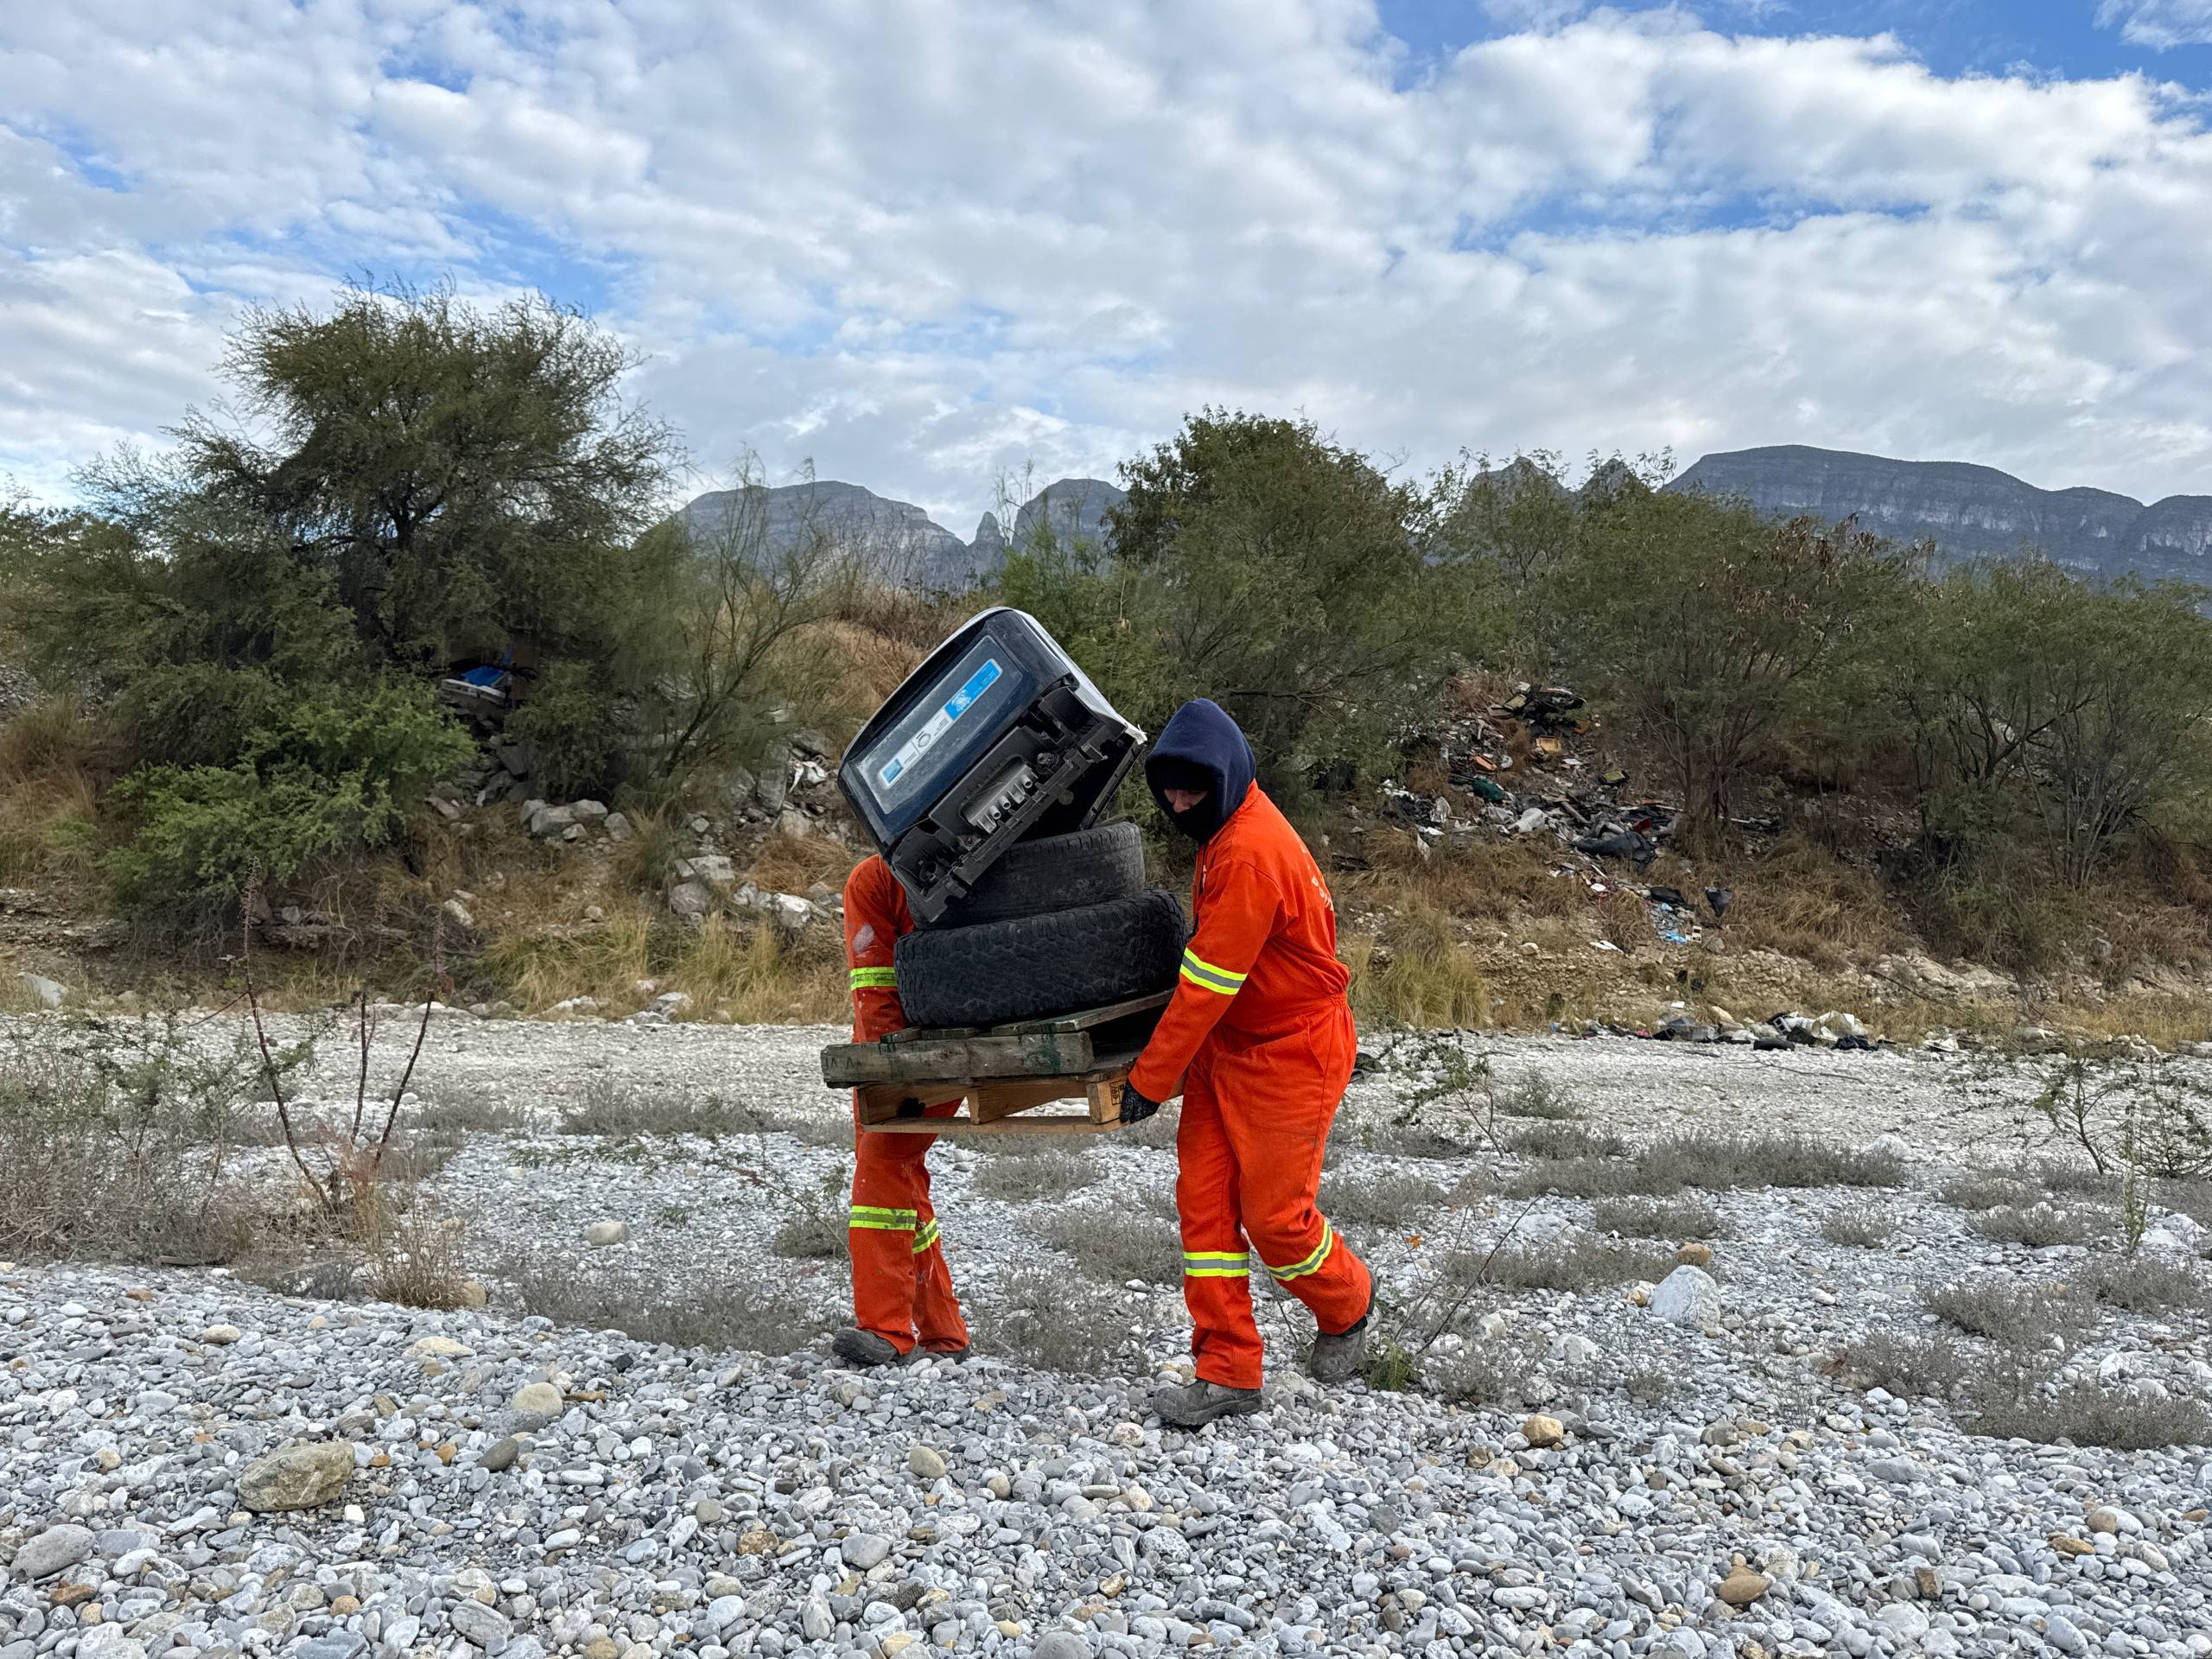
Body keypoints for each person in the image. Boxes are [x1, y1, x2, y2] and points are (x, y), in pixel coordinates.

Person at [1118, 698, 1374, 1427]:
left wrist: (1150, 1079)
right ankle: (1227, 1371)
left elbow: (1206, 986)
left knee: (1276, 1222)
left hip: (1292, 1051)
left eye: (1192, 789)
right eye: (1168, 790)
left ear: (1224, 778)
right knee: (1203, 1207)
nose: (1178, 802)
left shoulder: (1249, 852)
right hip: (1229, 1047)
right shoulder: (1228, 828)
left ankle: (1349, 1302)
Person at [830, 854, 969, 1367]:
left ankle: (886, 1330)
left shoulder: (876, 879)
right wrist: (889, 1072)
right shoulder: (876, 879)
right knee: (900, 1173)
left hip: (949, 1047)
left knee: (882, 1169)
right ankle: (944, 1333)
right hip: (892, 1050)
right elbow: (875, 992)